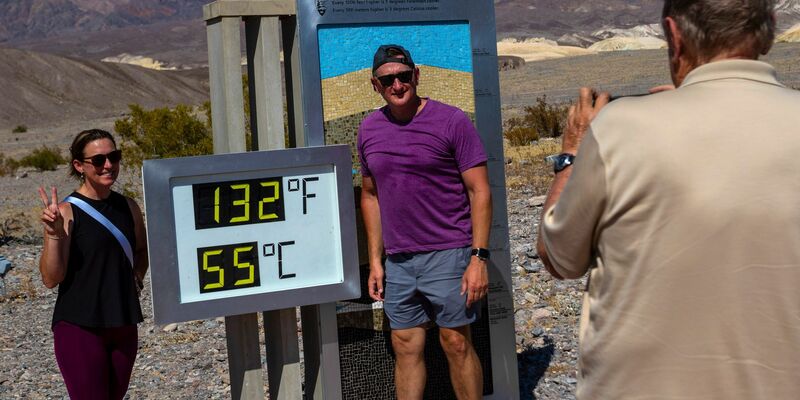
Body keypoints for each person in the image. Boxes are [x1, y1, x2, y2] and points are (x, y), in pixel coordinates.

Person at [536, 0, 800, 398]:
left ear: (675, 38)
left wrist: (572, 153)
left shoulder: (622, 129)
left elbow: (559, 257)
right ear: (770, 28)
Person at [358, 44, 491, 399]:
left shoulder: (452, 121)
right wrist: (375, 261)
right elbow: (370, 196)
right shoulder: (369, 129)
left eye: (403, 77)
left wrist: (478, 258)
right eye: (388, 80)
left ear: (416, 76)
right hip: (399, 260)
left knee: (456, 342)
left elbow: (480, 192)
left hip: (450, 252)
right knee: (404, 345)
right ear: (375, 85)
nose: (397, 85)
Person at [38, 129, 148, 399]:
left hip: (123, 323)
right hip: (80, 326)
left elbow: (141, 251)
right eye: (98, 160)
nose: (108, 165)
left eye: (114, 157)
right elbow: (52, 278)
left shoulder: (129, 207)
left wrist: (136, 278)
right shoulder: (66, 212)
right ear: (79, 165)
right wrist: (54, 234)